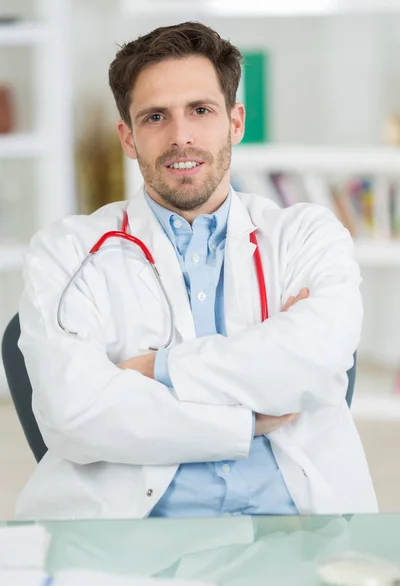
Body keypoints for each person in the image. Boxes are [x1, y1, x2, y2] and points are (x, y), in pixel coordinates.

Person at [15, 22, 377, 520]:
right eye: (156, 116)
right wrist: (248, 421)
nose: (180, 136)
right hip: (131, 542)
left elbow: (315, 361)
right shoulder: (66, 252)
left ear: (235, 122)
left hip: (297, 528)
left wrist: (154, 370)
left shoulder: (306, 234)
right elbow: (71, 415)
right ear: (128, 137)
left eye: (201, 111)